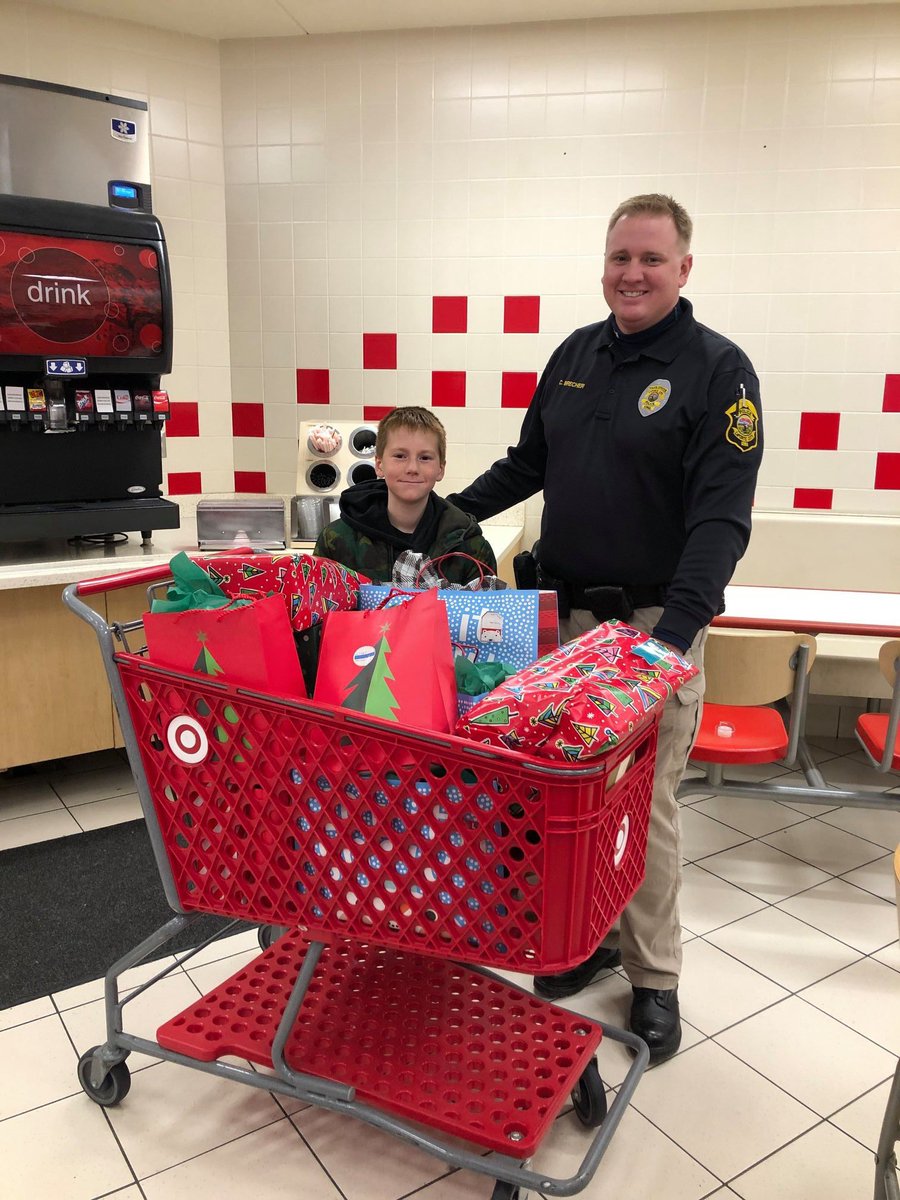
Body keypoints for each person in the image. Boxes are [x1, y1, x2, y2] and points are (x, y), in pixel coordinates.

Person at [448, 194, 763, 1065]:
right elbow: (528, 464)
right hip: (560, 621)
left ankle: (655, 979)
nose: (633, 272)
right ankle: (587, 940)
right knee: (567, 803)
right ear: (604, 265)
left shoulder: (718, 372)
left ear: (684, 268)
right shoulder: (576, 354)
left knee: (644, 808)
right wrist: (437, 514)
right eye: (620, 256)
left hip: (653, 627)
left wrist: (676, 641)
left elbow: (720, 522)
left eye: (652, 259)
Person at [314, 405, 497, 585]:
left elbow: (487, 613)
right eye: (400, 456)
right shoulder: (336, 542)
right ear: (379, 465)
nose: (412, 468)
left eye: (425, 458)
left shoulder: (471, 549)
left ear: (440, 469)